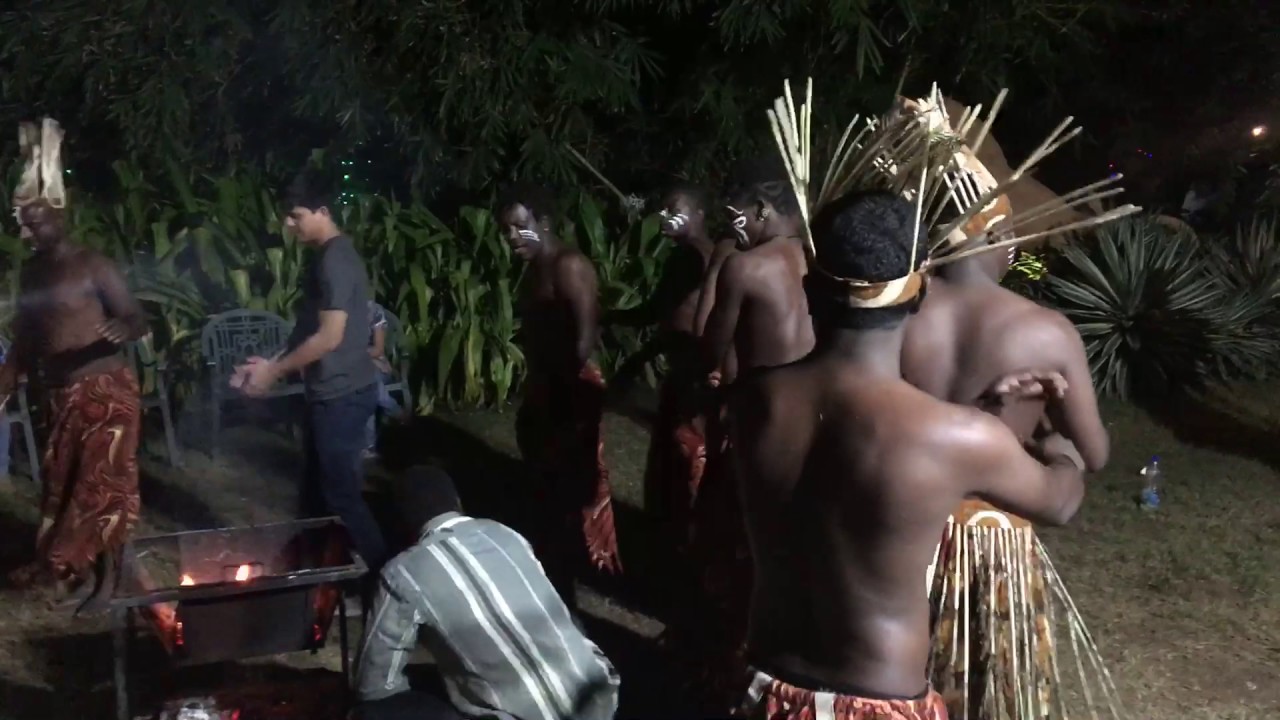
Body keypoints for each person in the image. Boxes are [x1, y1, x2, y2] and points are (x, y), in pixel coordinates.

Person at [730, 189, 1088, 720]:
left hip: (762, 690)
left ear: (810, 289)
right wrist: (1060, 451)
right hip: (875, 705)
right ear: (916, 295)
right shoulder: (954, 438)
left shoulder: (752, 400)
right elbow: (1059, 502)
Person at [902, 175, 1113, 718]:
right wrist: (1051, 439)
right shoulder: (1046, 331)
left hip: (907, 524)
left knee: (902, 676)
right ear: (999, 235)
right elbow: (1094, 452)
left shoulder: (897, 315)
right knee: (988, 693)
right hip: (997, 539)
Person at [673, 158, 818, 711]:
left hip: (757, 420)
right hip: (814, 424)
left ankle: (727, 665)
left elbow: (713, 345)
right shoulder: (821, 263)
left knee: (733, 543)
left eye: (737, 214)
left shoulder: (748, 267)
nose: (732, 225)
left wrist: (713, 373)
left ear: (761, 209)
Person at [2, 119, 148, 611]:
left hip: (106, 390)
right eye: (22, 220)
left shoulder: (93, 264)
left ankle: (111, 584)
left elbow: (134, 314)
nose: (26, 228)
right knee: (65, 491)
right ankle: (86, 575)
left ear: (60, 215)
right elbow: (25, 336)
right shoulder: (32, 270)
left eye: (35, 219)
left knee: (102, 491)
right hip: (61, 397)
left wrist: (125, 328)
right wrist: (5, 382)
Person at [353, 458, 620, 720]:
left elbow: (374, 685)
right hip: (599, 700)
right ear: (457, 503)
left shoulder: (404, 572)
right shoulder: (505, 534)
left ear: (402, 525)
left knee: (378, 709)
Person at [234, 168, 387, 572]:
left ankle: (388, 576)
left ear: (322, 210)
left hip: (343, 395)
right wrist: (268, 363)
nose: (289, 224)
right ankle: (308, 574)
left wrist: (275, 373)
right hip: (331, 393)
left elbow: (329, 337)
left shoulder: (335, 259)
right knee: (314, 495)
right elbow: (307, 329)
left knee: (339, 495)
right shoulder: (325, 256)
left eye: (296, 215)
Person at [497, 183, 621, 605]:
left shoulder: (569, 265)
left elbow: (585, 336)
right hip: (547, 388)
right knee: (544, 488)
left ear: (543, 223)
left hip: (570, 390)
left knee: (568, 488)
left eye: (520, 226)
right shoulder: (536, 267)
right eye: (506, 230)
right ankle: (552, 571)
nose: (512, 236)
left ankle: (573, 578)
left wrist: (562, 401)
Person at [363, 300, 404, 460]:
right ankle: (397, 413)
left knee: (369, 384)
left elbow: (378, 349)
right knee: (368, 386)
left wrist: (364, 358)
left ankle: (368, 445)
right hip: (355, 365)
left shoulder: (373, 310)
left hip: (377, 367)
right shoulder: (339, 312)